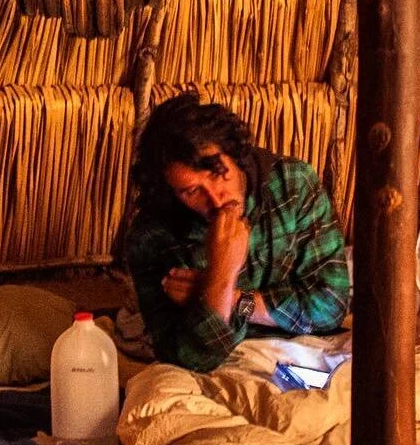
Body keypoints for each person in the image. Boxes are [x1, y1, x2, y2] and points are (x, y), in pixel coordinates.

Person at [124, 92, 350, 372]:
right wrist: (223, 271)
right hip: (219, 369)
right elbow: (191, 359)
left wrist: (230, 297)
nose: (215, 200)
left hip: (305, 353)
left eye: (219, 174)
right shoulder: (153, 235)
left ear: (235, 154)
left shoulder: (293, 184)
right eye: (191, 191)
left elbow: (331, 305)